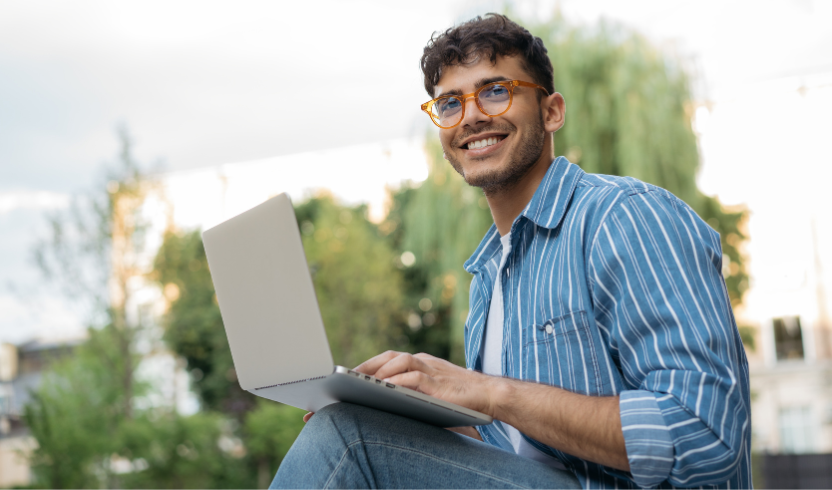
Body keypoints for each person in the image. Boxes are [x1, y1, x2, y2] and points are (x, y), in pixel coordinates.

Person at [271, 14, 751, 489]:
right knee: (357, 426)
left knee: (347, 439)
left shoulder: (624, 217)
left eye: (496, 90)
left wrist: (488, 392)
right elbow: (513, 453)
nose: (473, 115)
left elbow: (706, 435)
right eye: (450, 103)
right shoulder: (489, 272)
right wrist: (408, 410)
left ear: (551, 111)